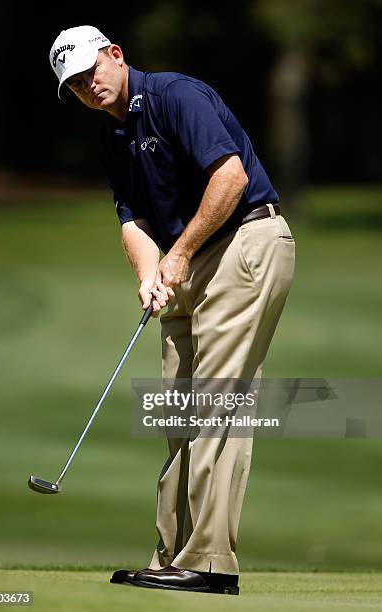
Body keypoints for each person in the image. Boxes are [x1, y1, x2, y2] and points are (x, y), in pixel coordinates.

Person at [49, 25, 295, 595]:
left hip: (245, 241)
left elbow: (229, 176)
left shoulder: (175, 96)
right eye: (75, 85)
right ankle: (170, 556)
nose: (88, 87)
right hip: (193, 259)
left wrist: (179, 255)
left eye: (91, 72)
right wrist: (148, 275)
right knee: (176, 409)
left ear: (116, 55)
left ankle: (209, 564)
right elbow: (131, 217)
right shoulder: (112, 137)